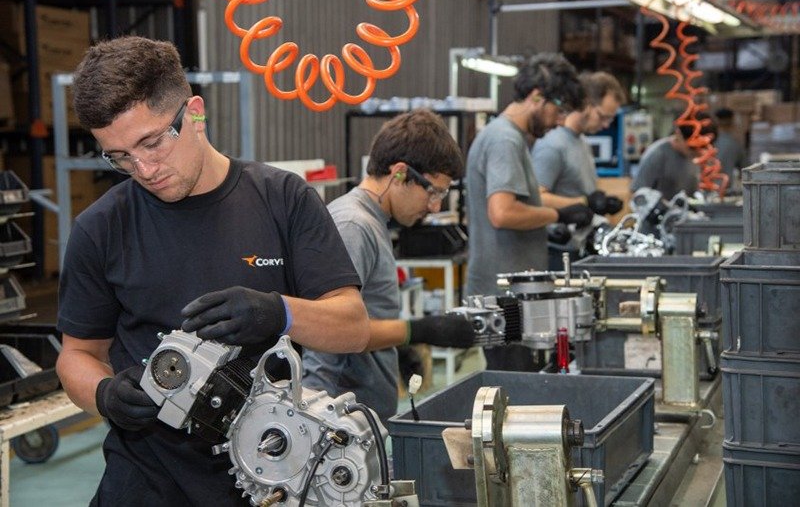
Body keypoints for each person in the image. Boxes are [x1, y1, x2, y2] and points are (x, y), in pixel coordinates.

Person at [55, 36, 370, 506]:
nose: (143, 168)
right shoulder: (101, 228)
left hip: (270, 475)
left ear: (195, 114)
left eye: (152, 142)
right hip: (146, 481)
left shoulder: (284, 200)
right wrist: (105, 394)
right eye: (119, 156)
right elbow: (77, 353)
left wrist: (278, 313)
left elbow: (354, 327)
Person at [302, 109, 476, 424]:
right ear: (399, 173)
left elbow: (363, 315)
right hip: (343, 422)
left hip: (362, 416)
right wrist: (418, 330)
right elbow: (327, 332)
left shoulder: (373, 221)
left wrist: (398, 344)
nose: (435, 206)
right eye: (433, 191)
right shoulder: (354, 226)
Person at [465, 52, 591, 372]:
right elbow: (502, 213)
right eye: (558, 111)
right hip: (504, 298)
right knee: (516, 387)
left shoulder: (512, 138)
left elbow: (519, 203)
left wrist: (574, 206)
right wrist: (558, 215)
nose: (559, 121)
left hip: (512, 294)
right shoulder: (504, 139)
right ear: (536, 97)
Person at [532, 71, 626, 216]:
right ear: (586, 104)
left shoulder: (583, 142)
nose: (606, 125)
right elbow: (537, 198)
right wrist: (585, 202)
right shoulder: (552, 144)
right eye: (602, 117)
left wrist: (603, 203)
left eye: (610, 119)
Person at [631, 118, 715, 200]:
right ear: (678, 135)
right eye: (692, 148)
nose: (697, 153)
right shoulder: (657, 154)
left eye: (702, 149)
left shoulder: (699, 158)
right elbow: (638, 193)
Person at [713, 108, 747, 184]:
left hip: (706, 186)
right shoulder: (736, 145)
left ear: (716, 122)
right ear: (732, 122)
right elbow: (745, 170)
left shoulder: (708, 142)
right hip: (726, 187)